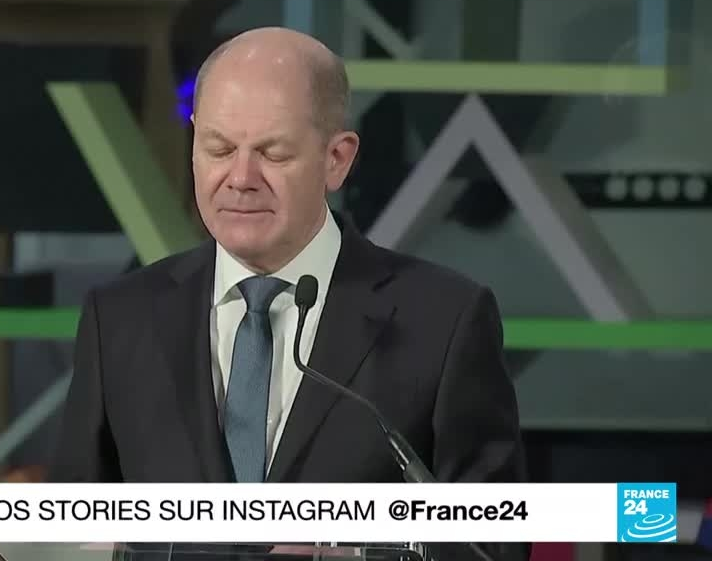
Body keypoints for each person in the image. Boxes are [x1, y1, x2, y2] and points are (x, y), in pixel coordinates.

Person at [50, 26, 527, 492]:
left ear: (337, 159)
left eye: (273, 154)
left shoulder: (443, 323)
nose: (240, 178)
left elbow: (490, 529)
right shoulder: (119, 319)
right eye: (219, 149)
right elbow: (74, 521)